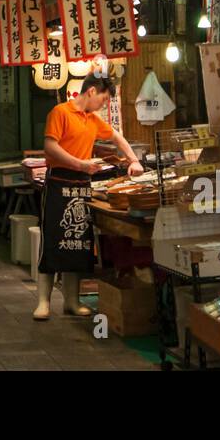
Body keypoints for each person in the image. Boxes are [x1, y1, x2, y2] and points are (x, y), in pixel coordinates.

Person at [34, 74, 144, 321]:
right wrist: (80, 164)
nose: (104, 106)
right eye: (104, 100)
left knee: (77, 243)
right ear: (92, 91)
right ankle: (43, 302)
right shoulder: (60, 112)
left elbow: (116, 137)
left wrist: (133, 160)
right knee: (53, 241)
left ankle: (72, 301)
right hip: (58, 183)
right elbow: (50, 147)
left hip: (82, 185)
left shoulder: (93, 120)